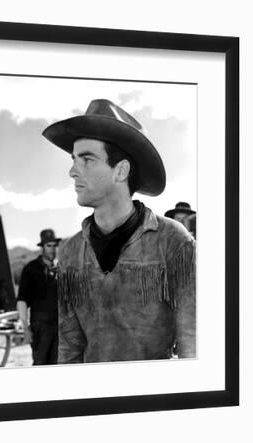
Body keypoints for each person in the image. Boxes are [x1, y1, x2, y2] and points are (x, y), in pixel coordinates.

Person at [42, 99, 196, 363]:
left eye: (87, 159)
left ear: (121, 171)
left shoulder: (173, 240)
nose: (72, 171)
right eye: (73, 159)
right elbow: (70, 346)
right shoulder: (69, 251)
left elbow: (191, 345)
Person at [16, 229, 61, 365]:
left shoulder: (60, 268)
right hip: (40, 328)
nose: (52, 250)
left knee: (58, 364)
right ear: (42, 247)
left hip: (59, 326)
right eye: (49, 246)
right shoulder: (31, 269)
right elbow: (22, 300)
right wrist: (25, 328)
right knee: (40, 365)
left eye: (54, 246)